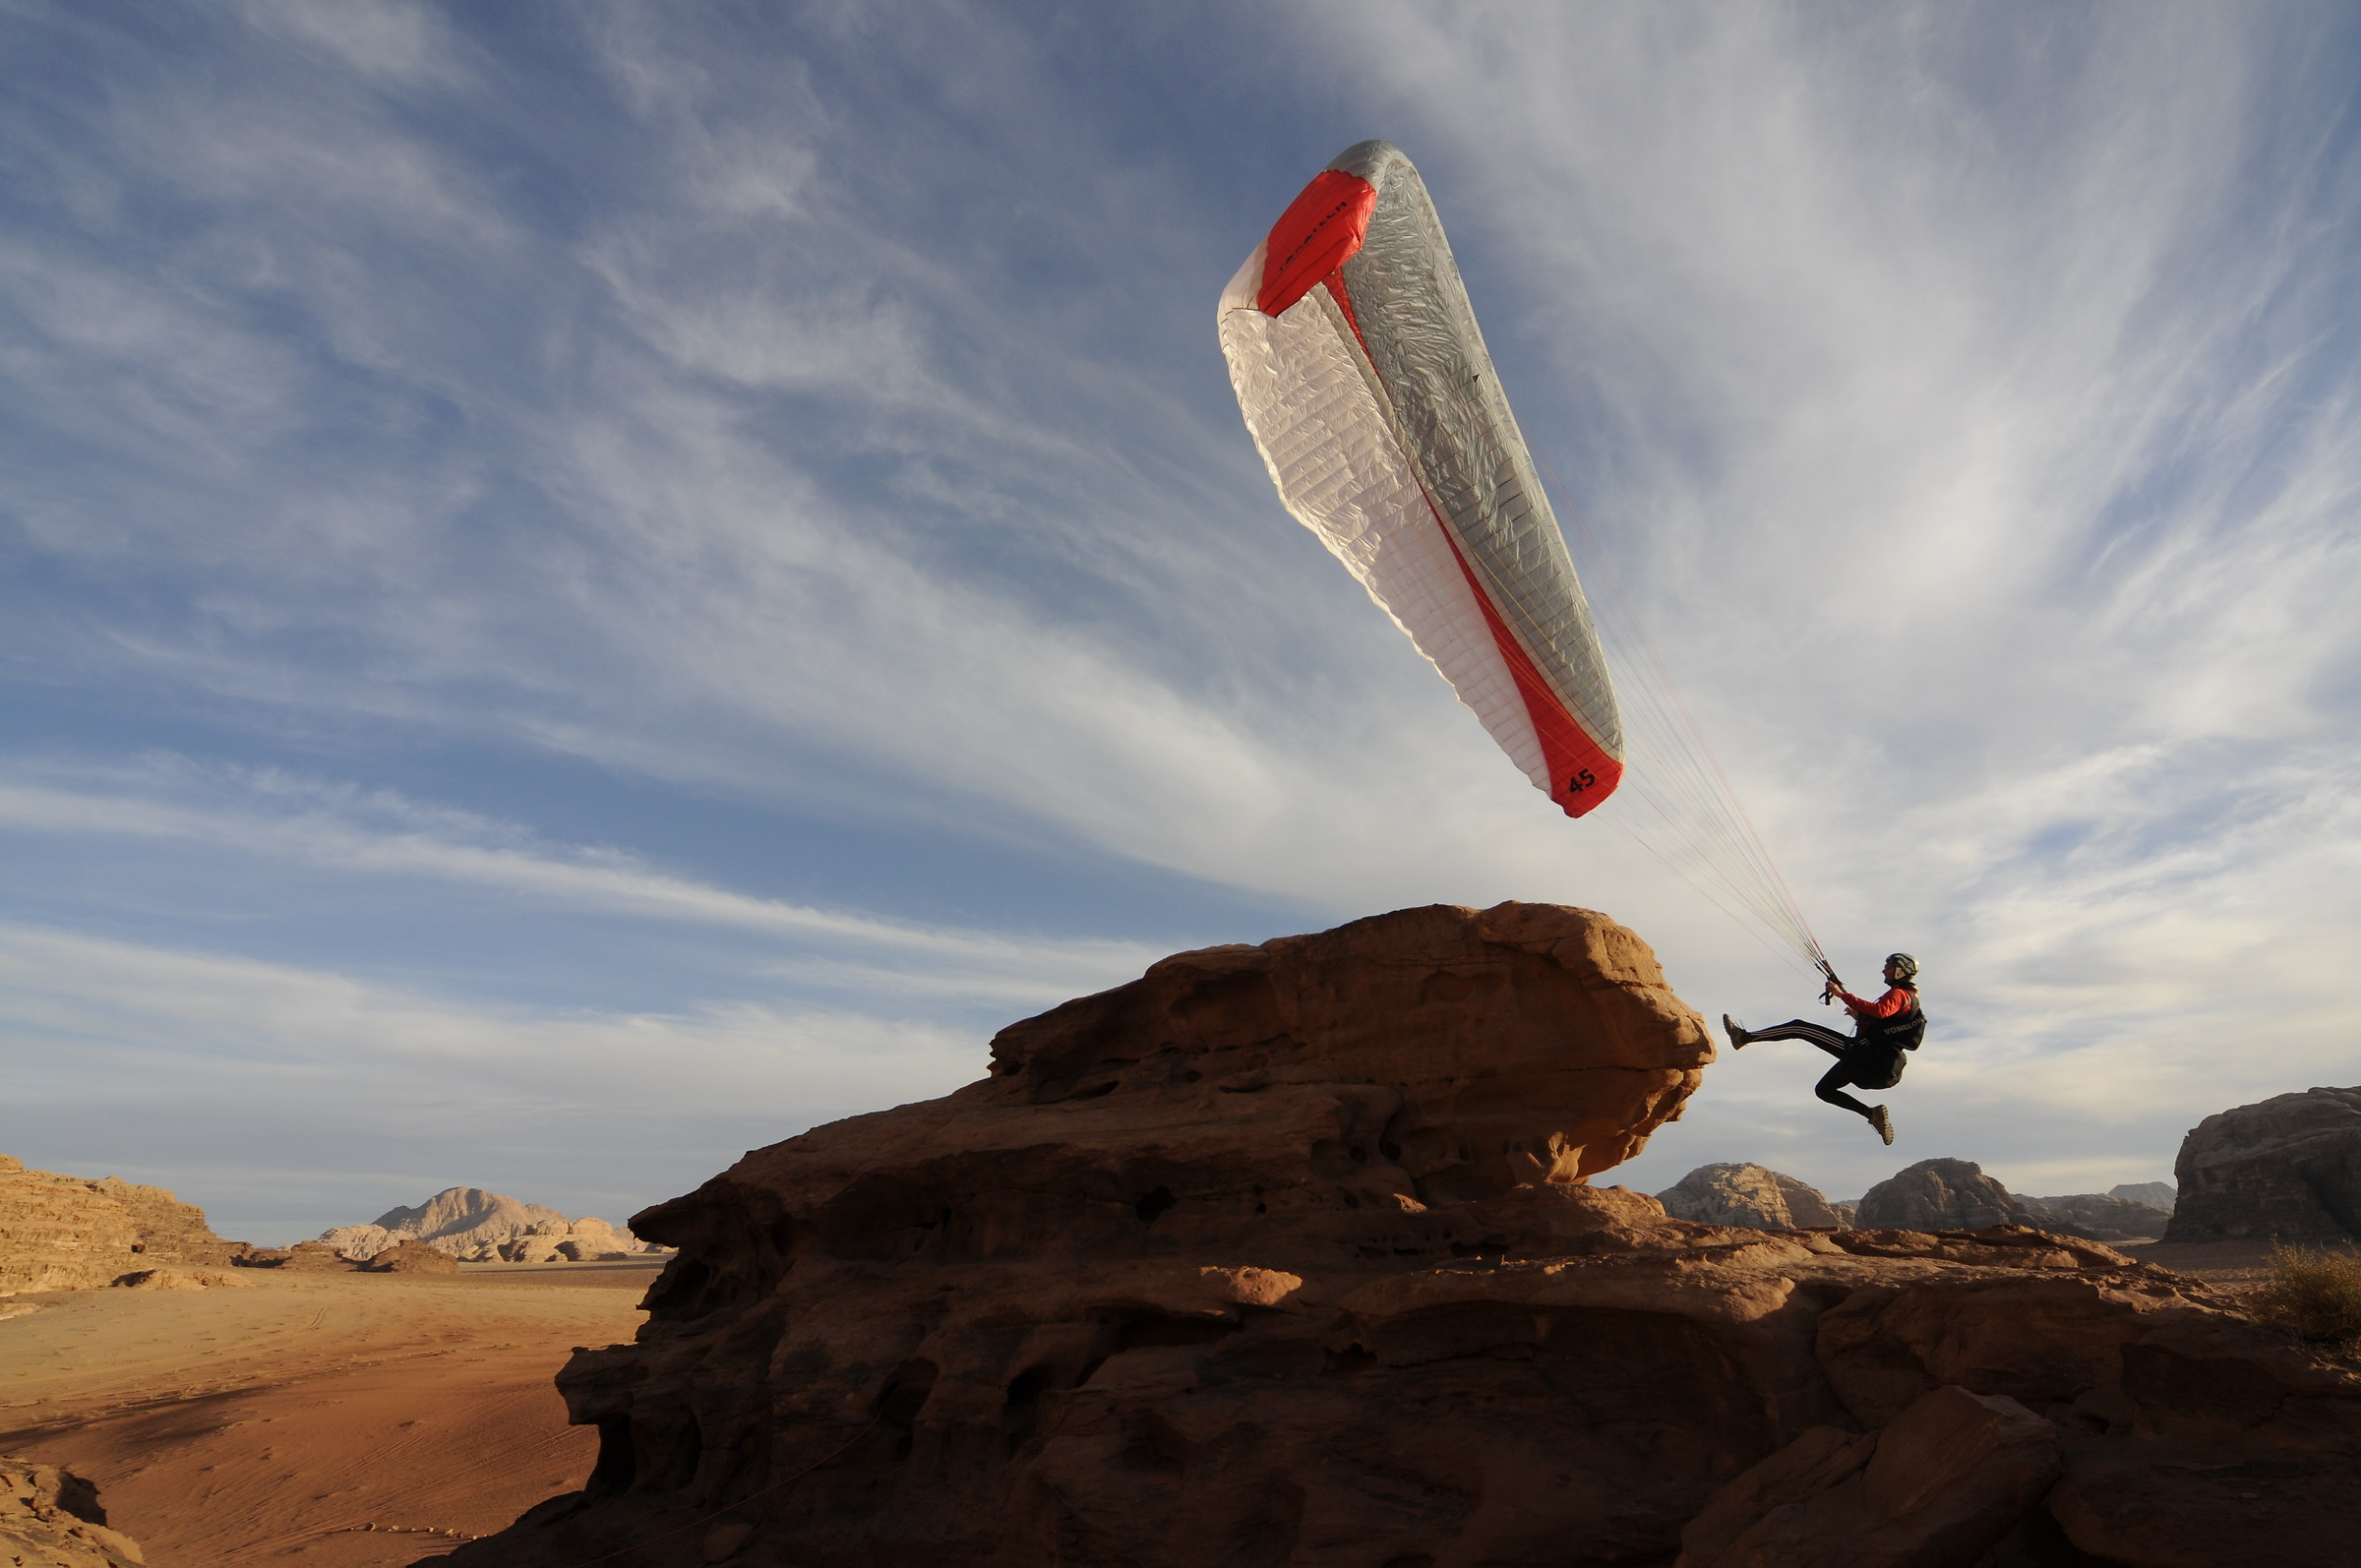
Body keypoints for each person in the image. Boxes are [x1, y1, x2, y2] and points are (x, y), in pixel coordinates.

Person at [1722, 954, 1924, 1146]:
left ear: (1899, 971)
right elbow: (1885, 1026)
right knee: (1824, 1090)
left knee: (1800, 1027)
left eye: (1887, 967)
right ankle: (1872, 1114)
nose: (1883, 971)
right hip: (1877, 1065)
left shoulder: (1899, 994)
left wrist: (1842, 995)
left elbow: (1880, 1011)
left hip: (1868, 1058)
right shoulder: (1910, 999)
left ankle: (1744, 1038)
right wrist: (1858, 1016)